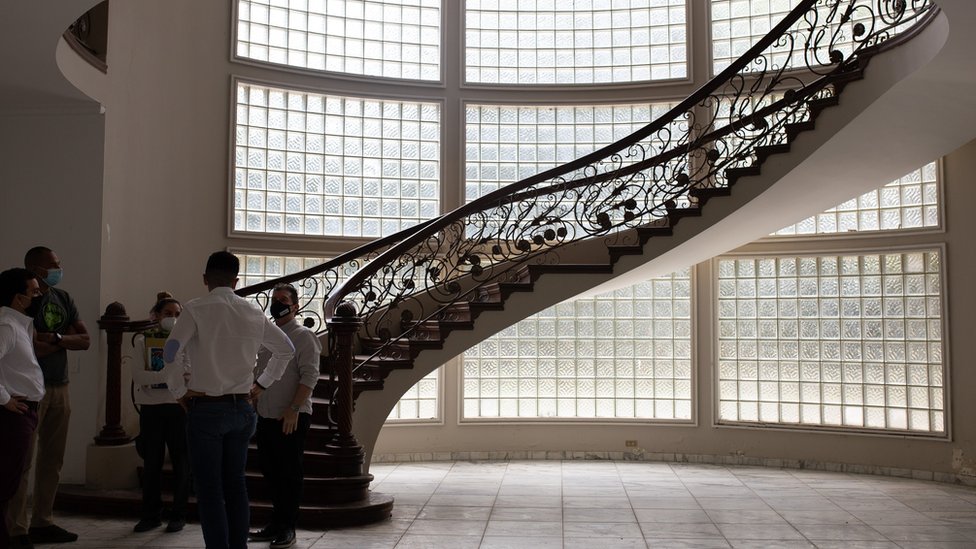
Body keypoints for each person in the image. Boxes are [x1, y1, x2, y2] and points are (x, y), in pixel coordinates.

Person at [160, 251, 294, 549]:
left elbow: (170, 352)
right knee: (235, 485)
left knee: (209, 490)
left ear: (205, 279)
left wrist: (179, 392)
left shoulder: (195, 309)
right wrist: (262, 384)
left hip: (205, 409)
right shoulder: (253, 312)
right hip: (242, 410)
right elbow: (286, 349)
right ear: (236, 281)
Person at [7, 247, 90, 547]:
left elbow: (85, 340)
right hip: (28, 391)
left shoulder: (63, 298)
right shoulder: (25, 301)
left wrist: (54, 338)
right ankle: (16, 528)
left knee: (52, 460)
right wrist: (64, 340)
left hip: (60, 386)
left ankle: (43, 521)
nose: (59, 268)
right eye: (54, 265)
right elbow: (31, 346)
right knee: (22, 462)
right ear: (36, 268)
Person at [249, 284, 321, 549]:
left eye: (282, 300)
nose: (276, 303)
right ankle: (275, 524)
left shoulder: (304, 336)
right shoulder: (268, 335)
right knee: (270, 471)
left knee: (289, 474)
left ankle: (288, 527)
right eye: (274, 299)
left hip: (291, 416)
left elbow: (310, 376)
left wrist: (293, 409)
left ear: (295, 306)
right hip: (266, 415)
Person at [128, 293, 190, 534]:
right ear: (155, 316)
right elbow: (139, 376)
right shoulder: (143, 342)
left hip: (179, 407)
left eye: (177, 315)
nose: (173, 319)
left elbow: (190, 374)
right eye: (168, 314)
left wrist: (167, 378)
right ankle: (150, 515)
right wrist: (168, 376)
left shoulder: (187, 343)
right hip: (151, 409)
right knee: (152, 462)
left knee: (181, 463)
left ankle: (179, 514)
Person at [0, 269, 45, 549]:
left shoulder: (19, 324)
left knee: (8, 484)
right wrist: (4, 398)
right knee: (4, 486)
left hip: (23, 413)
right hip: (11, 415)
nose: (39, 296)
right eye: (35, 292)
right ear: (19, 298)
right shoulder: (6, 325)